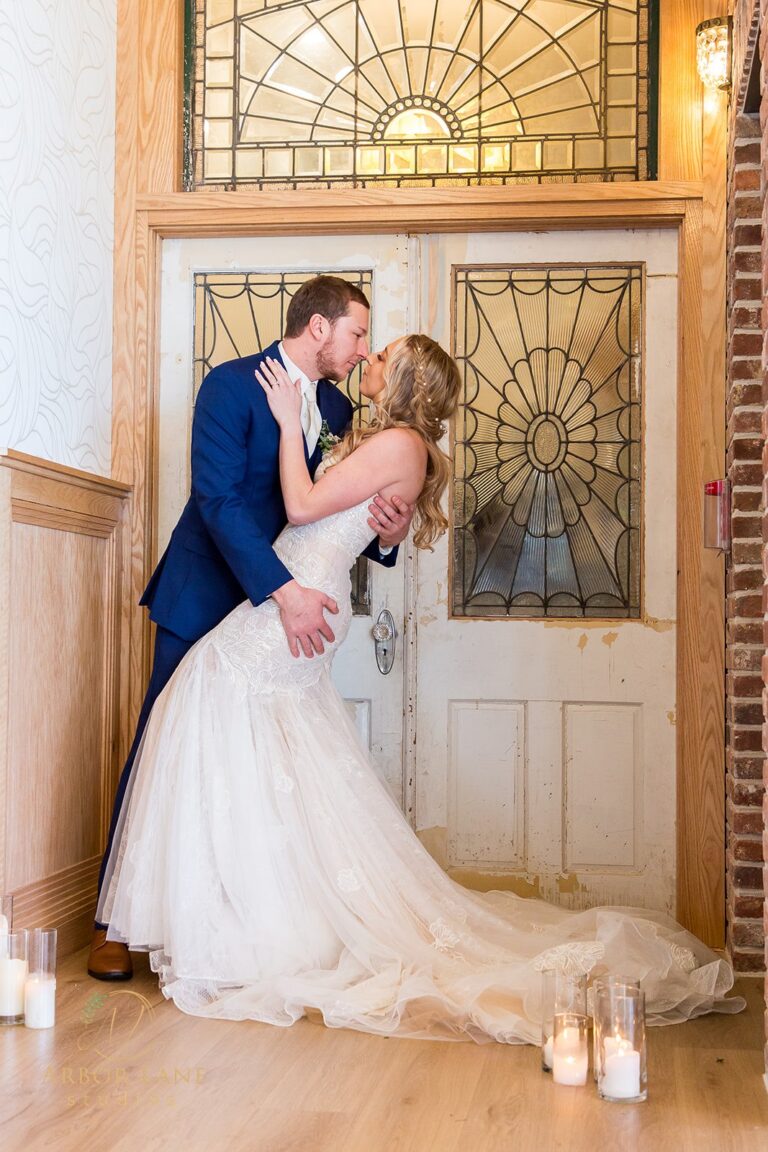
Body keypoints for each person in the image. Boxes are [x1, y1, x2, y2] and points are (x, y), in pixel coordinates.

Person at [97, 334, 743, 1042]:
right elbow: (294, 506)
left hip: (298, 597)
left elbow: (306, 506)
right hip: (268, 590)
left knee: (206, 698)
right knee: (252, 741)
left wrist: (292, 430)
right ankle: (241, 917)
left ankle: (240, 929)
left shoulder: (382, 435)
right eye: (364, 340)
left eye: (382, 353)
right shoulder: (336, 418)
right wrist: (382, 520)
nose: (367, 355)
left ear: (405, 378)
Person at [87, 276, 413, 981]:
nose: (363, 350)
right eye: (358, 333)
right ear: (319, 328)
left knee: (257, 763)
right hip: (208, 591)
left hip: (276, 616)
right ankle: (115, 921)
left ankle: (229, 916)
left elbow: (338, 509)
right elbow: (218, 500)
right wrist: (283, 591)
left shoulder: (336, 408)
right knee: (160, 744)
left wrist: (389, 536)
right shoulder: (230, 386)